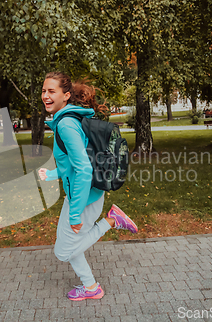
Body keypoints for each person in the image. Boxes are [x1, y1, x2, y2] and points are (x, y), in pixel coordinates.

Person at [37, 71, 138, 301]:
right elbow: (72, 164)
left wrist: (75, 214)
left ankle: (112, 220)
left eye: (51, 91)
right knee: (70, 246)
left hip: (83, 199)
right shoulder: (66, 120)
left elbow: (83, 170)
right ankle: (91, 287)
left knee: (63, 251)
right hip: (83, 195)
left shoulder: (66, 125)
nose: (45, 95)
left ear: (66, 95)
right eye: (44, 91)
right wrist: (52, 174)